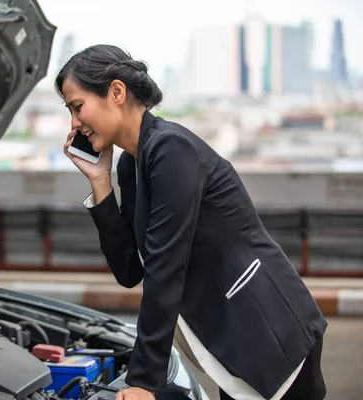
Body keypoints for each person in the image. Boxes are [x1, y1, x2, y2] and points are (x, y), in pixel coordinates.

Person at [56, 44, 327, 400]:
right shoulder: (131, 165)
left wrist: (142, 381)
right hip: (232, 341)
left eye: (78, 107)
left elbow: (166, 268)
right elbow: (129, 271)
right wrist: (100, 183)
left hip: (269, 333)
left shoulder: (171, 149)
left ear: (117, 92)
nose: (74, 123)